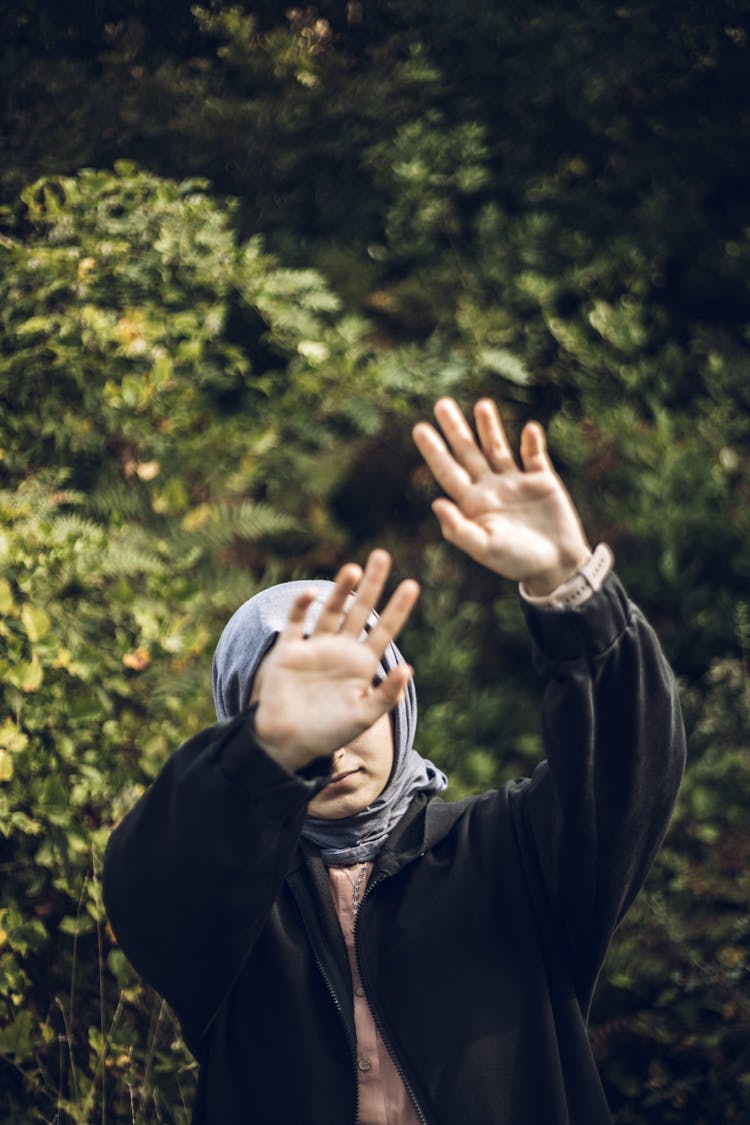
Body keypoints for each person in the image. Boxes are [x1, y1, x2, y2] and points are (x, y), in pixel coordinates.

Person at [103, 397, 686, 1124]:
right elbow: (148, 885)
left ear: (397, 695)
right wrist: (270, 754)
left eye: (355, 693)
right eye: (298, 716)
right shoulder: (235, 908)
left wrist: (572, 589)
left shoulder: (508, 852)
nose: (334, 742)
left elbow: (629, 768)